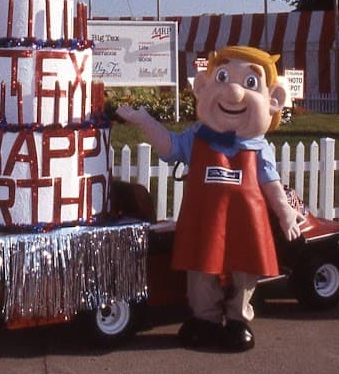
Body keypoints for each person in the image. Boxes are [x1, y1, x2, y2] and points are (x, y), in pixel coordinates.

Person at [117, 46, 304, 352]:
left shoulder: (258, 147)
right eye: (223, 77)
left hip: (247, 222)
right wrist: (145, 121)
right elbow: (169, 148)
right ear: (203, 87)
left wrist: (284, 211)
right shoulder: (197, 136)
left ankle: (238, 320)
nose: (233, 92)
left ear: (273, 100)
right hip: (205, 221)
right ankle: (204, 318)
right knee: (201, 267)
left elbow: (271, 182)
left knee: (245, 271)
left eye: (250, 83)